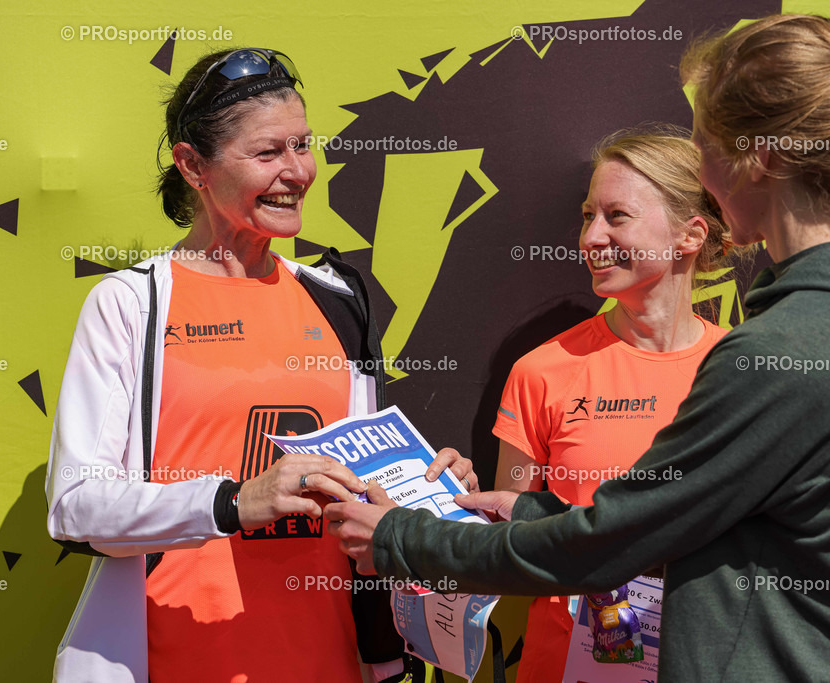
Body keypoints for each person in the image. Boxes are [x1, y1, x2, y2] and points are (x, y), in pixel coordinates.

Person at [327, 13, 830, 682]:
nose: (704, 168)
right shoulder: (782, 337)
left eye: (706, 143)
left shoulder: (775, 351)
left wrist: (400, 537)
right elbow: (677, 522)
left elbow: (610, 543)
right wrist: (536, 511)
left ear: (759, 157)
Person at [44, 48, 476, 683]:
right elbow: (76, 505)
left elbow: (359, 492)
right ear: (193, 165)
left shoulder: (338, 297)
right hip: (177, 660)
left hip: (330, 661)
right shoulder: (130, 303)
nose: (298, 171)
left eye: (303, 145)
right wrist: (234, 502)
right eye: (269, 153)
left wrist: (430, 497)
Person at [491, 127, 731, 682]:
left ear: (689, 235)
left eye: (617, 216)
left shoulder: (740, 371)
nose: (591, 236)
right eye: (586, 215)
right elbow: (505, 545)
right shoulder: (542, 371)